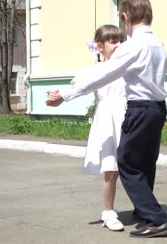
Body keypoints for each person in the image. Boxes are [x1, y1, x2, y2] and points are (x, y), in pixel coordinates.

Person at [45, 0, 167, 238]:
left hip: (140, 108)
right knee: (146, 161)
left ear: (125, 17)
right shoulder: (158, 44)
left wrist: (64, 95)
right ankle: (144, 210)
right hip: (157, 108)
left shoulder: (133, 46)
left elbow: (102, 74)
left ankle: (156, 219)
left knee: (126, 161)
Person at [49, 25, 127, 231]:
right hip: (108, 120)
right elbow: (80, 87)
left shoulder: (129, 67)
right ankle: (109, 212)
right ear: (100, 46)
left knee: (134, 166)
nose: (119, 45)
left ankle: (143, 207)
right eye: (113, 41)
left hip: (128, 117)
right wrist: (60, 97)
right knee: (111, 168)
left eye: (121, 41)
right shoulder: (96, 71)